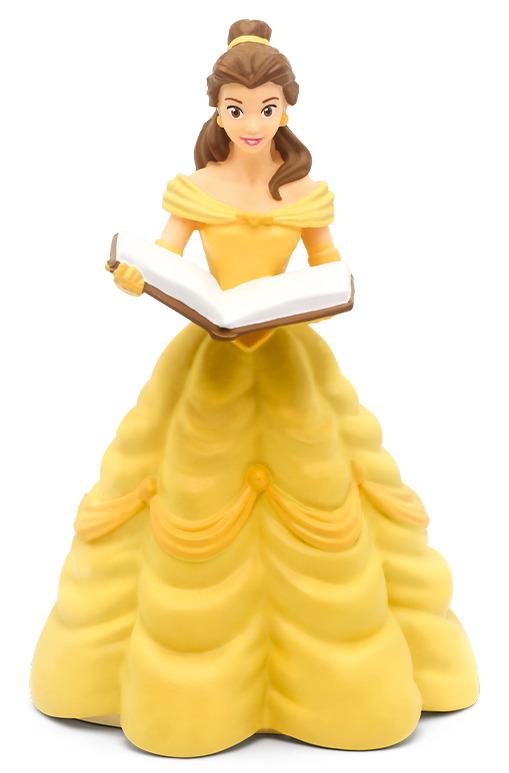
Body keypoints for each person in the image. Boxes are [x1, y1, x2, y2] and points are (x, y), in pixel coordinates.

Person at [30, 18, 479, 758]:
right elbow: (167, 255)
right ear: (215, 109)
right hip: (210, 356)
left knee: (323, 487)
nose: (250, 122)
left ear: (286, 110)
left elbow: (328, 266)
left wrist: (314, 296)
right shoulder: (197, 188)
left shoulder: (302, 190)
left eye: (266, 108)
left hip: (285, 353)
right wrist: (140, 278)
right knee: (190, 483)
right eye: (235, 108)